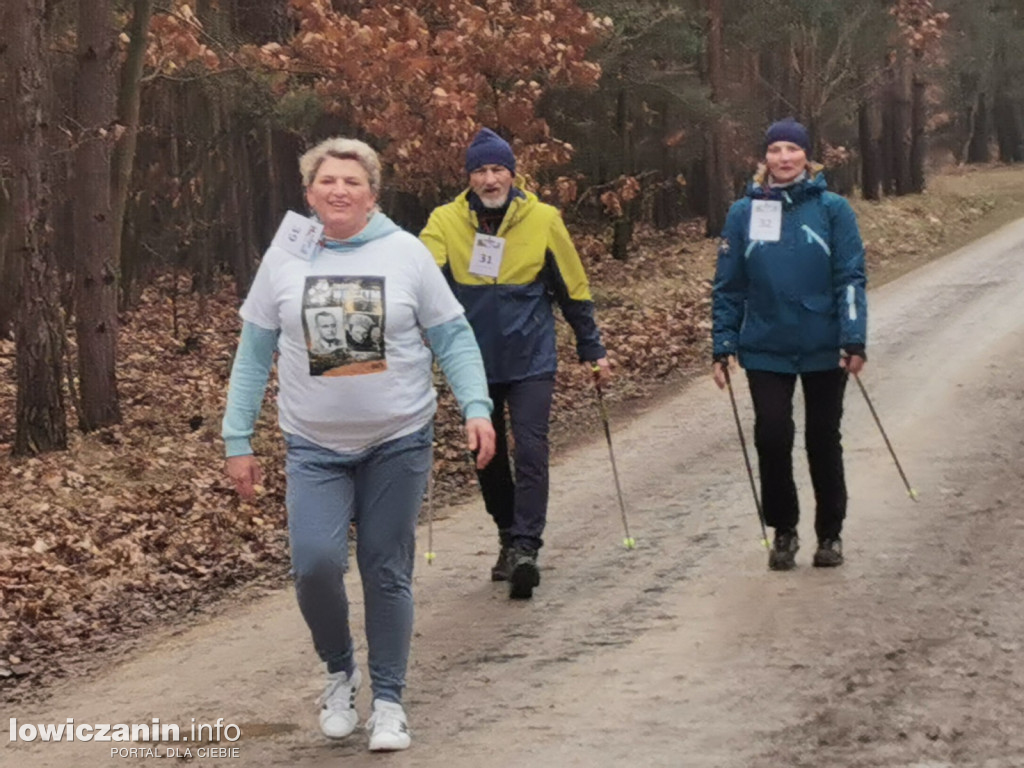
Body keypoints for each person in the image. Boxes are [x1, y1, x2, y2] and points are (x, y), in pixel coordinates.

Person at [222, 137, 496, 752]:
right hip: (313, 445)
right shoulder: (286, 256)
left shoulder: (405, 254)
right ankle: (339, 670)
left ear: (372, 193)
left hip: (397, 439)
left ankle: (391, 700)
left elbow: (452, 337)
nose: (339, 190)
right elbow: (254, 351)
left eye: (352, 181)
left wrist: (475, 407)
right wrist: (237, 437)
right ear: (310, 192)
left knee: (384, 568)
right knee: (315, 564)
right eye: (327, 181)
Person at [420, 128, 610, 600]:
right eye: (480, 171)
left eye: (497, 169)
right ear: (469, 177)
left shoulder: (543, 218)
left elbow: (573, 286)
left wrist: (593, 348)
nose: (490, 179)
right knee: (486, 456)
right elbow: (418, 281)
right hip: (472, 362)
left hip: (531, 358)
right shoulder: (445, 221)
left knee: (531, 449)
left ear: (512, 172)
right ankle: (507, 532)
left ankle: (526, 547)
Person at [711, 118, 867, 571]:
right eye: (775, 149)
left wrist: (854, 337)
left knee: (823, 440)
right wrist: (723, 344)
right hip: (764, 344)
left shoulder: (833, 209)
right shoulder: (744, 213)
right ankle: (783, 529)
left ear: (806, 156)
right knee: (773, 436)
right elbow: (728, 285)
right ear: (765, 158)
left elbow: (850, 276)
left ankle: (830, 534)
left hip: (824, 344)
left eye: (792, 149)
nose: (783, 158)